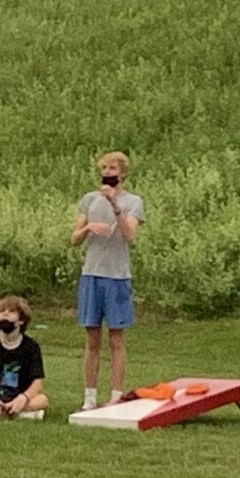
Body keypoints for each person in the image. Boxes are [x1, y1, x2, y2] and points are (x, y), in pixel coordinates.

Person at [72, 151, 144, 410]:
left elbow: (129, 235)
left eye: (112, 168)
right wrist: (88, 228)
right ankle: (89, 397)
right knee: (92, 339)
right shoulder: (89, 199)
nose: (108, 172)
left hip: (117, 276)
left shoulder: (133, 201)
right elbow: (74, 238)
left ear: (122, 173)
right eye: (104, 168)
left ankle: (116, 395)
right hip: (91, 274)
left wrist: (115, 207)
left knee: (116, 339)